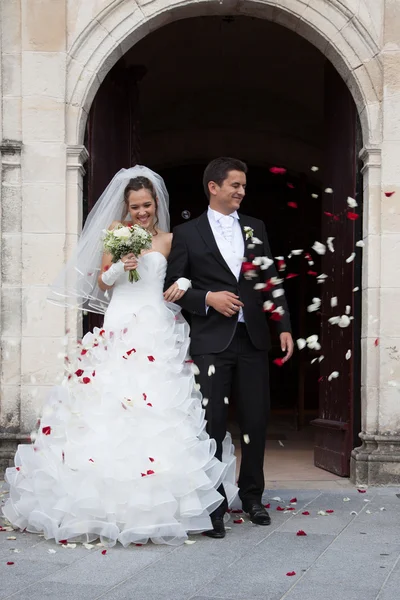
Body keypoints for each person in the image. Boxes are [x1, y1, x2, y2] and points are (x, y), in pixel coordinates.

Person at [2, 166, 237, 547]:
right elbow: (102, 282)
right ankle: (101, 504)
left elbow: (183, 274)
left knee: (158, 406)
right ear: (127, 206)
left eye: (146, 205)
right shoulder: (117, 231)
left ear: (155, 203)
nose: (141, 212)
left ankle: (165, 503)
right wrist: (117, 267)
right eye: (135, 206)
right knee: (108, 403)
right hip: (120, 322)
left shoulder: (169, 239)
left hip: (156, 326)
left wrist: (185, 282)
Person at [165, 157, 294, 538]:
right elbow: (172, 286)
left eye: (243, 185)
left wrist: (283, 325)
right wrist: (208, 299)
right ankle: (214, 504)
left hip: (253, 338)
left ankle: (252, 497)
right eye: (235, 184)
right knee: (212, 425)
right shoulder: (187, 233)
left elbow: (269, 279)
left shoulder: (256, 228)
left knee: (255, 420)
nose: (241, 191)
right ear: (214, 187)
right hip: (210, 343)